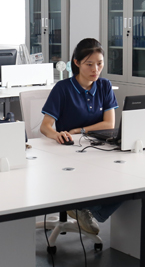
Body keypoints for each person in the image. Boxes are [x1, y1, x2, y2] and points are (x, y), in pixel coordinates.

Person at [40, 38, 120, 234]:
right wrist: (57, 134)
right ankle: (83, 208)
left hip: (98, 148)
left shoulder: (104, 85)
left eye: (100, 63)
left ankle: (87, 209)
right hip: (69, 152)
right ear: (76, 63)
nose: (95, 69)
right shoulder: (63, 88)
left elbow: (109, 124)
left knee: (129, 181)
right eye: (89, 64)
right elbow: (45, 127)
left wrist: (79, 130)